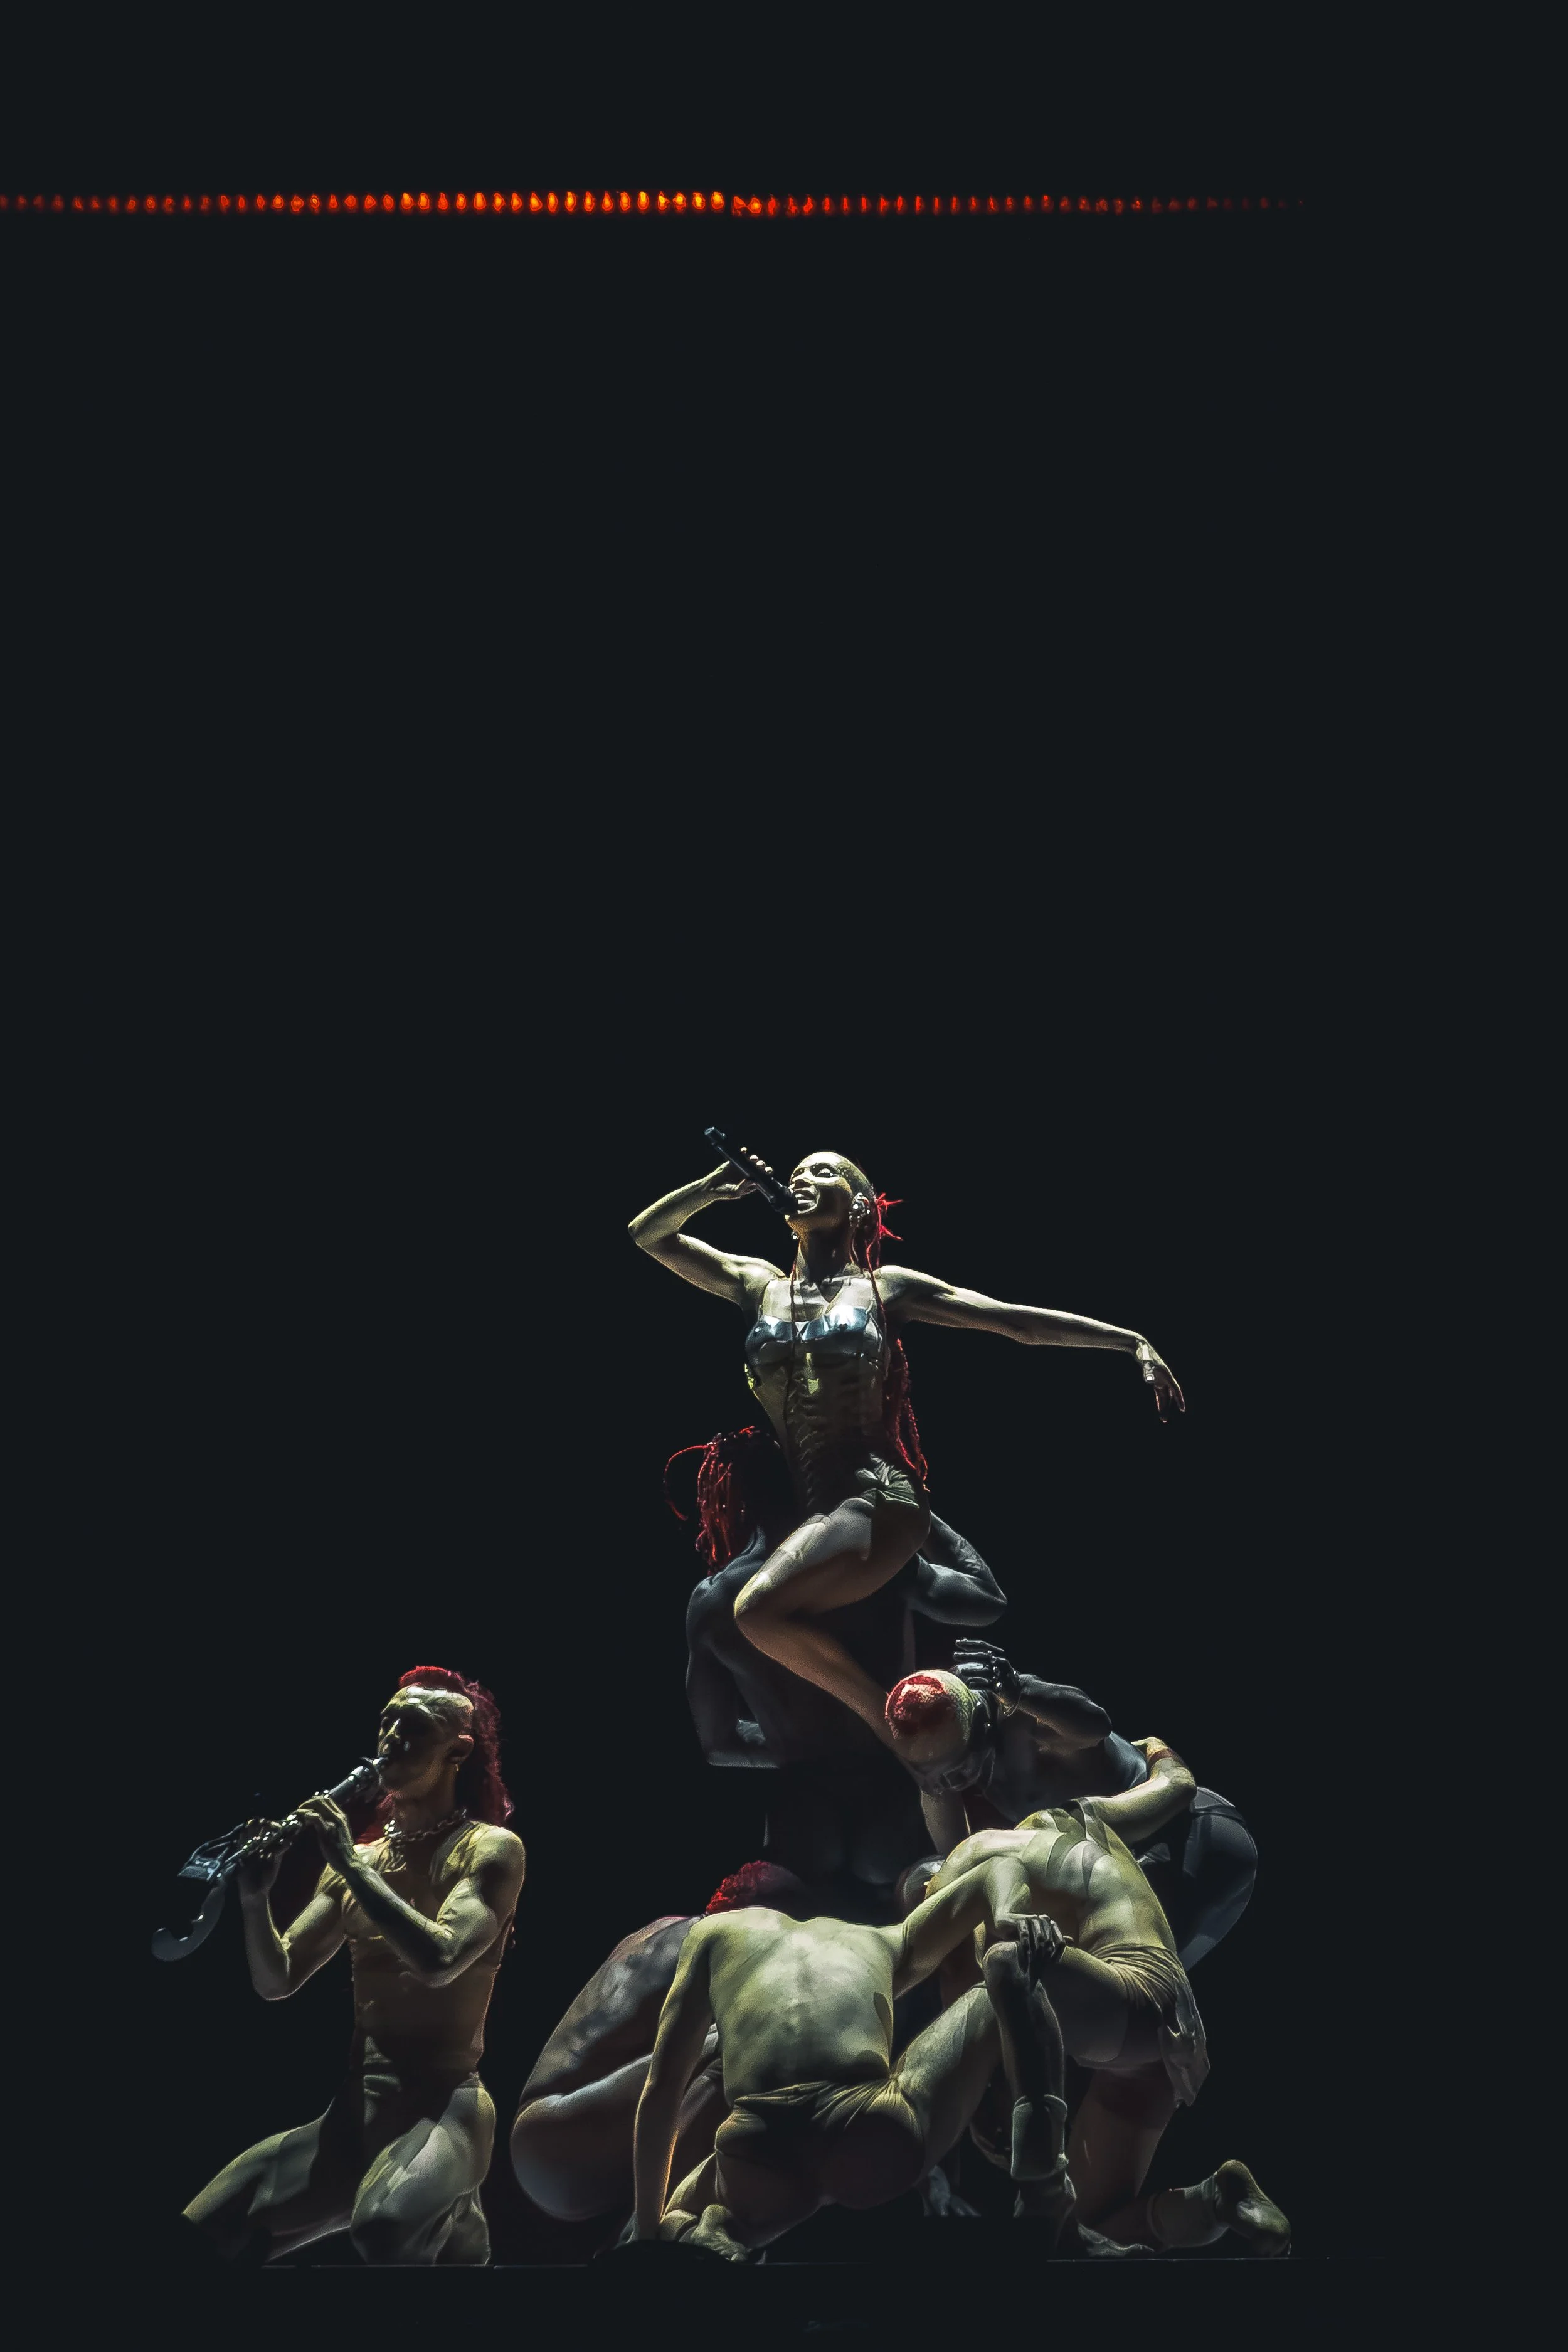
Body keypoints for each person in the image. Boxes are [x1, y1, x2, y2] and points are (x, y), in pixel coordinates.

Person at [630, 1147, 1182, 1744]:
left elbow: (1014, 1322)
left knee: (756, 1611)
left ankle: (895, 1732)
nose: (803, 1178)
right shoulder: (755, 1284)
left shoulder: (884, 1288)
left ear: (860, 1205)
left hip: (876, 1494)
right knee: (711, 1608)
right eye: (796, 1174)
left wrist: (1130, 1341)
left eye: (824, 1171)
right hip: (812, 1505)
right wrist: (710, 1188)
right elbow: (649, 1235)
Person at [182, 1666, 526, 2266]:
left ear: (457, 1750)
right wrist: (255, 1899)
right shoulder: (360, 1861)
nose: (391, 1737)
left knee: (386, 2232)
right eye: (386, 1722)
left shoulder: (490, 1848)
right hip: (354, 2112)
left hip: (444, 2106)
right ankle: (419, 2203)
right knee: (192, 2236)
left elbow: (441, 1959)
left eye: (412, 1727)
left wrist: (347, 1861)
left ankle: (453, 2211)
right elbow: (277, 1980)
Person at [630, 1855, 1136, 2262]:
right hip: (871, 2136)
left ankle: (705, 2228)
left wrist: (646, 2236)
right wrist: (1006, 1914)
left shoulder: (712, 1934)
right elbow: (999, 1867)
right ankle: (1050, 2201)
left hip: (760, 2152)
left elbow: (662, 2089)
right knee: (1004, 1979)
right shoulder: (880, 1942)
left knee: (674, 2214)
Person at [927, 1807, 1289, 2254]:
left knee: (1009, 1963)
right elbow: (1176, 1785)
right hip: (1154, 2033)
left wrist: (979, 2108)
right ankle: (1219, 2199)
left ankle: (1043, 2190)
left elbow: (961, 2007)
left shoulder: (963, 1874)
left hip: (1135, 2003)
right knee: (1079, 2232)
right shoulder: (1077, 1817)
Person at [685, 1513, 1005, 1918]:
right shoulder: (879, 1561)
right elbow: (985, 1599)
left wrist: (795, 1745)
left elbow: (718, 1744)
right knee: (934, 1933)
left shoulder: (715, 1599)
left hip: (804, 1820)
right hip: (891, 1799)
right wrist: (915, 1509)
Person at [893, 1645, 1258, 1971]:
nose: (950, 1784)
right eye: (932, 1775)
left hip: (1181, 1831)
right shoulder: (953, 1785)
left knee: (1130, 1990)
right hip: (1137, 1849)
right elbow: (960, 1861)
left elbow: (1097, 1727)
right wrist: (932, 1784)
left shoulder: (1023, 1724)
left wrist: (1022, 1690)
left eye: (956, 1770)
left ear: (981, 1725)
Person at [510, 1862, 808, 2228]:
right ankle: (665, 2226)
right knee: (750, 2038)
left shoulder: (660, 1928)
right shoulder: (718, 1950)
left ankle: (644, 2223)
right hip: (566, 2137)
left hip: (542, 2136)